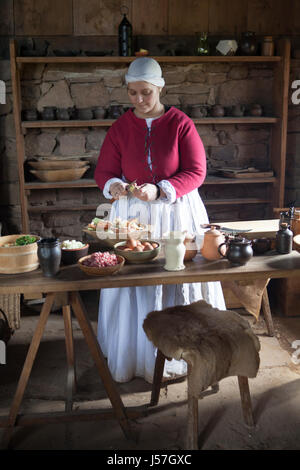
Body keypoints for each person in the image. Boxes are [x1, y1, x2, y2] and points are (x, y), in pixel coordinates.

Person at [94, 57, 225, 383]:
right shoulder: (120, 128)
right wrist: (115, 186)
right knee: (135, 283)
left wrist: (162, 190)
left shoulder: (181, 124)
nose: (139, 100)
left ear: (160, 88)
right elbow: (104, 171)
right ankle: (138, 356)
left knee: (175, 276)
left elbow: (197, 171)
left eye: (146, 92)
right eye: (133, 93)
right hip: (133, 215)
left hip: (175, 212)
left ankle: (183, 356)